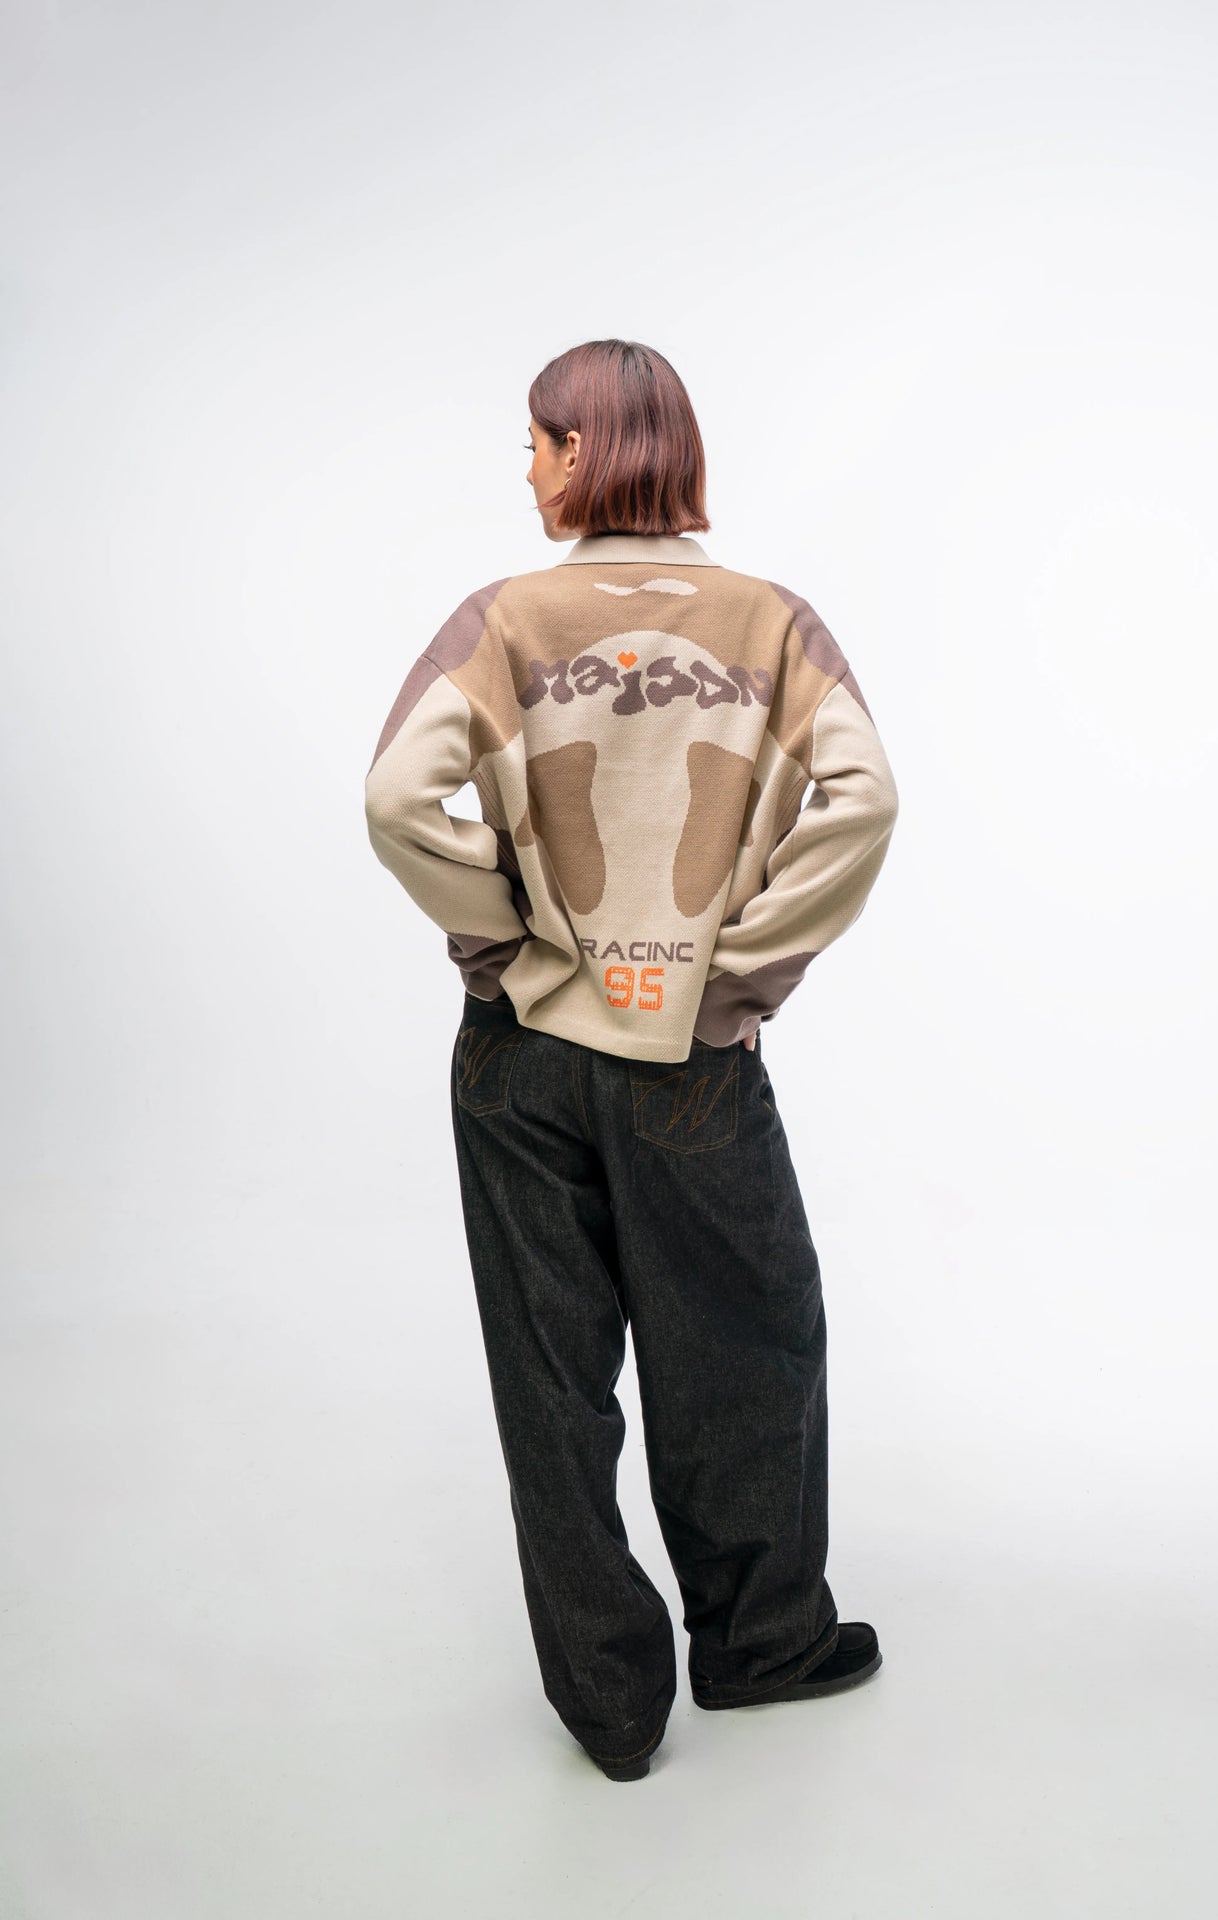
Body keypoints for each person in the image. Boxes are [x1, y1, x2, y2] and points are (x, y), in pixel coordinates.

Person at [364, 339, 900, 1781]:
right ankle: (761, 1644)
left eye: (541, 441)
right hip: (689, 1058)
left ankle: (609, 1705)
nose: (530, 468)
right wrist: (741, 973)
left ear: (588, 452)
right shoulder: (770, 622)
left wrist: (504, 941)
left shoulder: (500, 620)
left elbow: (398, 797)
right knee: (749, 1341)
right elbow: (864, 799)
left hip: (521, 1052)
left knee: (552, 1375)